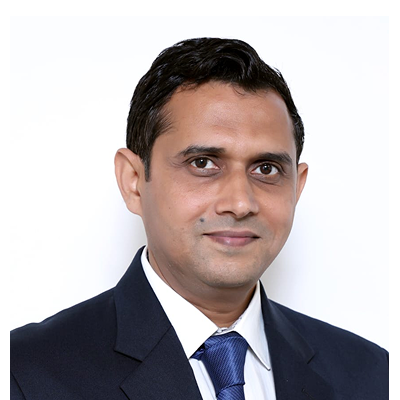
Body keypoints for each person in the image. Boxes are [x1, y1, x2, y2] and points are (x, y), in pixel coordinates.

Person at [10, 37, 388, 400]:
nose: (240, 203)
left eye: (266, 169)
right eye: (203, 163)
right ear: (133, 181)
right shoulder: (23, 374)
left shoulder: (373, 375)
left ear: (297, 187)